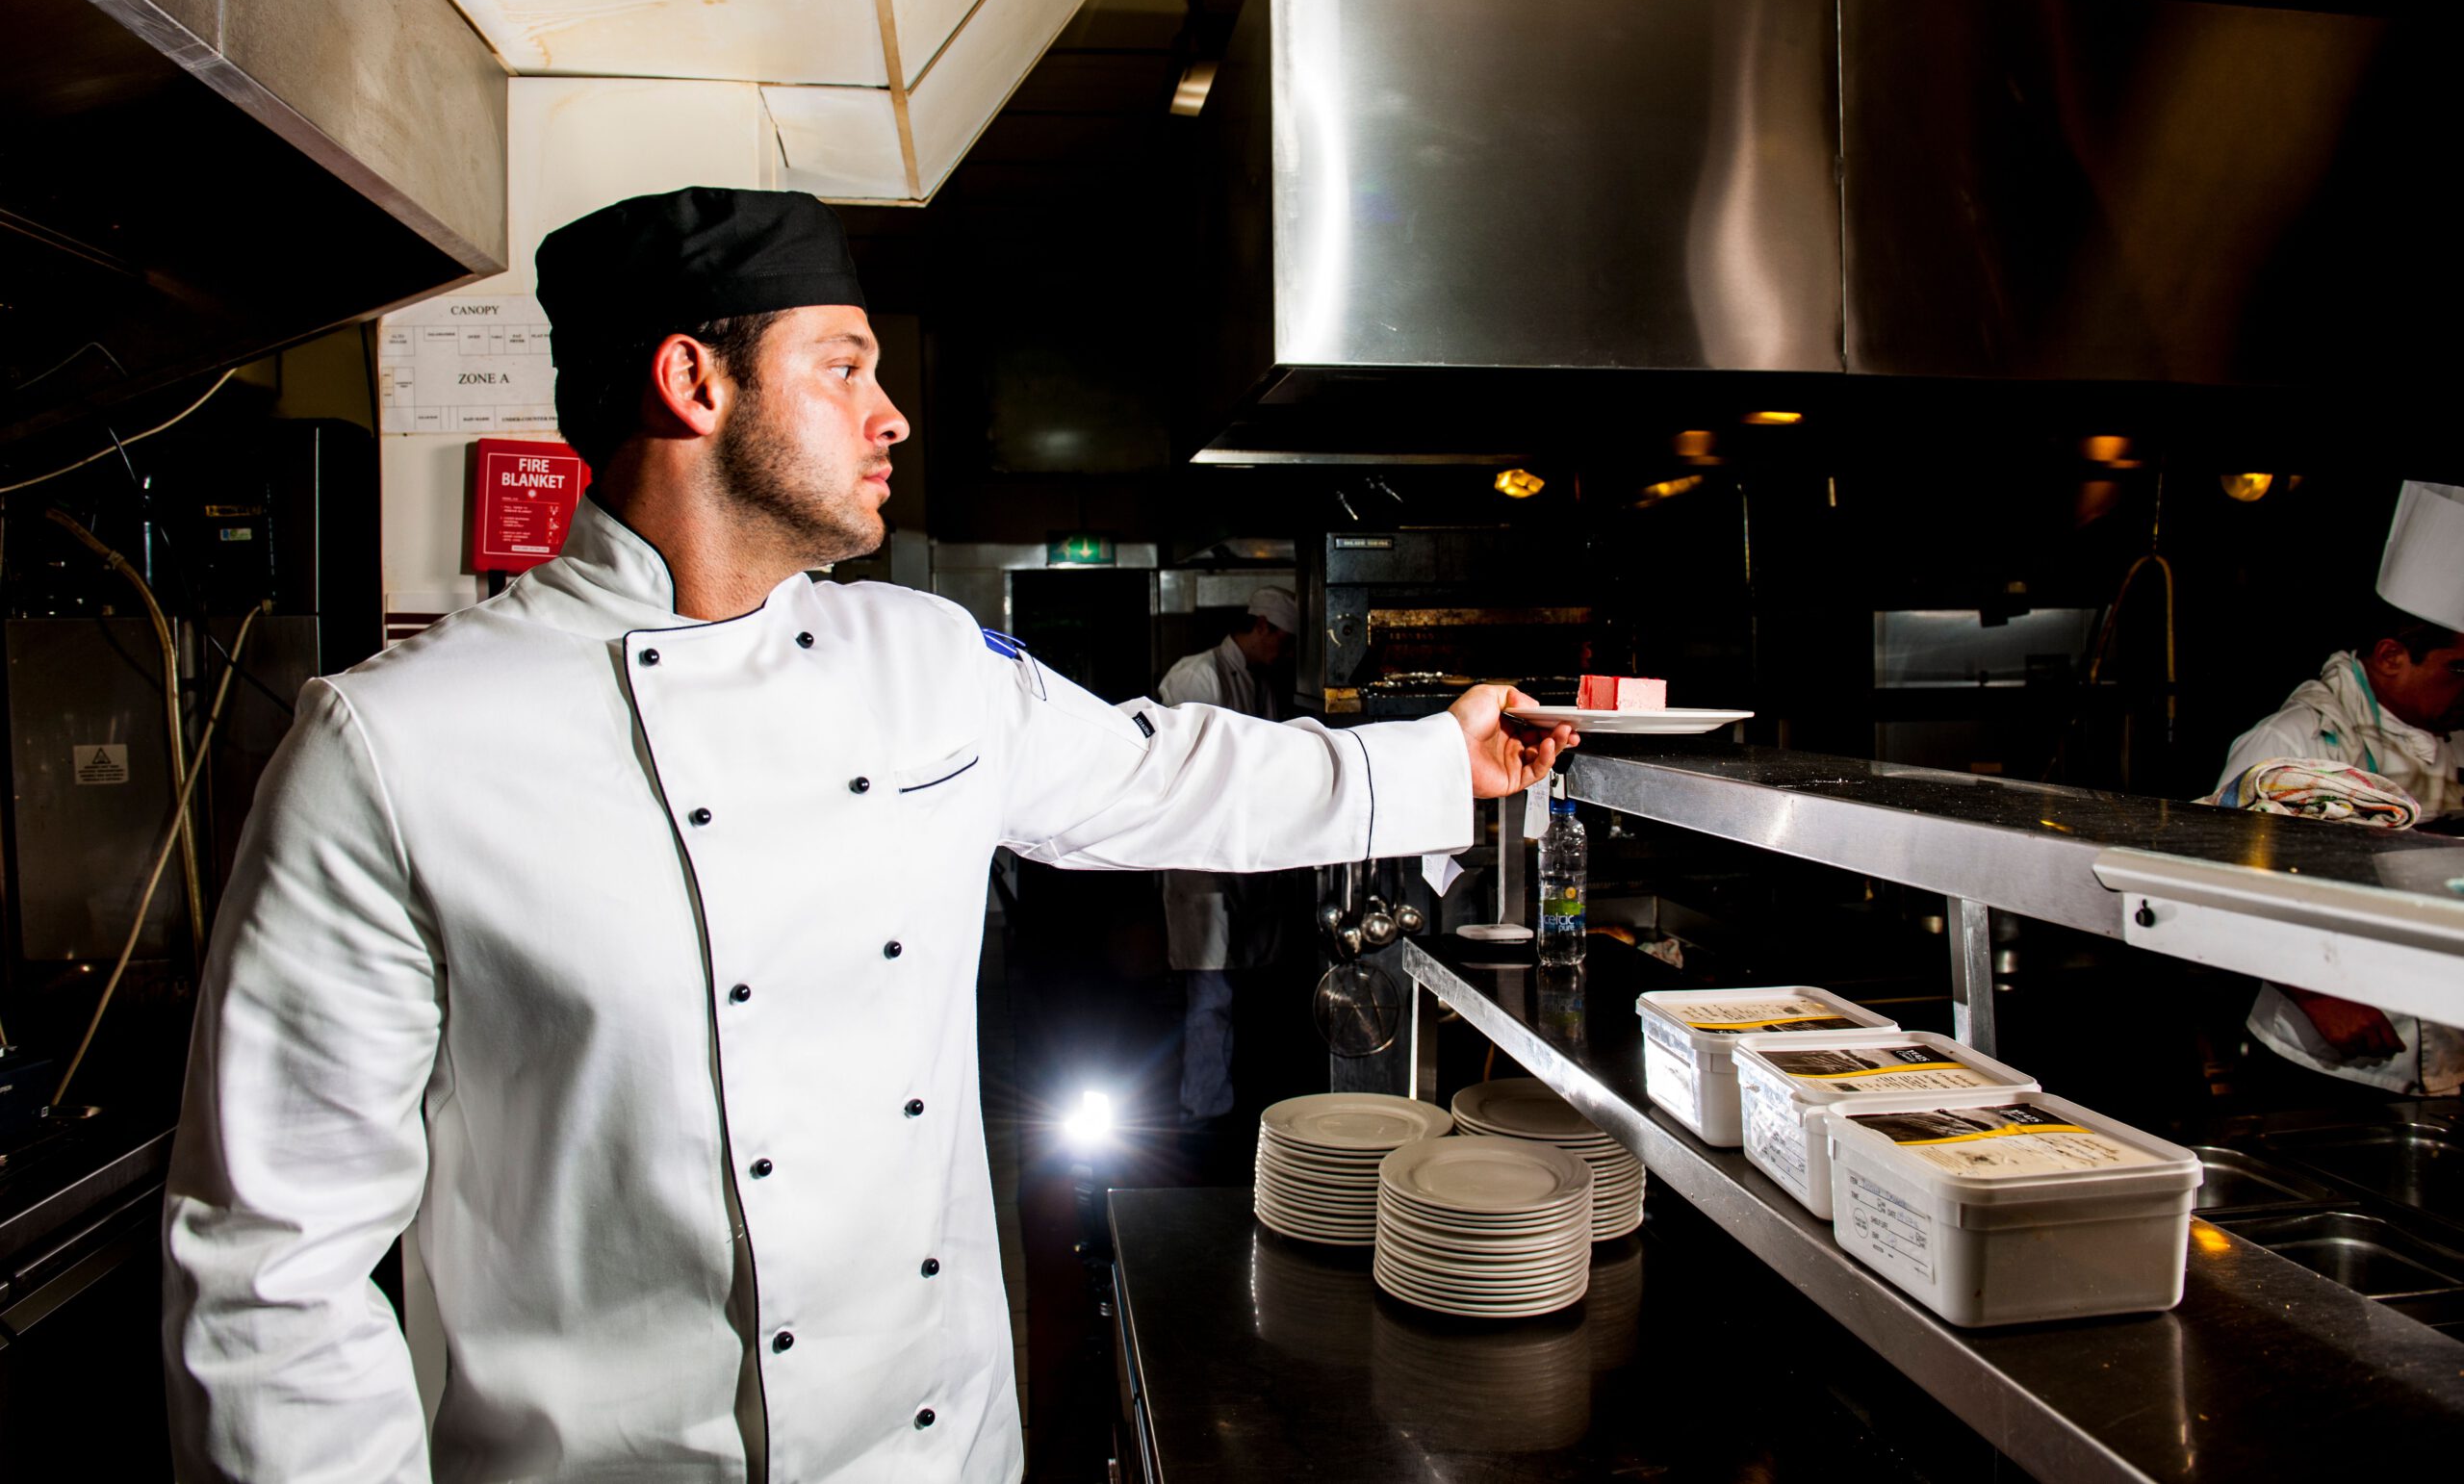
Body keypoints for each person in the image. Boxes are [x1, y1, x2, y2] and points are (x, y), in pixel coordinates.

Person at [160, 187, 1578, 1484]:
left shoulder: (923, 657)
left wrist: (1436, 758)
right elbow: (275, 1271)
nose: (892, 415)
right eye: (844, 367)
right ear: (694, 382)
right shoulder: (398, 745)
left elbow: (1167, 773)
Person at [2213, 600, 2463, 1097]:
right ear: (2390, 656)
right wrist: (2317, 996)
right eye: (2458, 669)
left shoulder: (2455, 736)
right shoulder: (2292, 742)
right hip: (2330, 1055)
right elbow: (2223, 887)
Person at [1154, 589, 1297, 1128]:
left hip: (1246, 859)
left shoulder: (1260, 684)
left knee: (1244, 990)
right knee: (1210, 993)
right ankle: (1203, 1114)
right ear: (1262, 627)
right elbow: (1192, 773)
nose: (1285, 654)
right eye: (1283, 642)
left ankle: (1242, 1113)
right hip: (1202, 861)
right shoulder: (1196, 676)